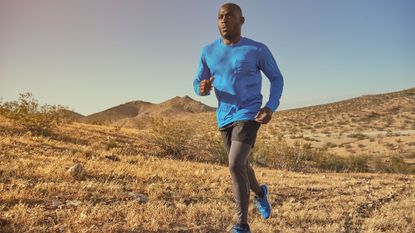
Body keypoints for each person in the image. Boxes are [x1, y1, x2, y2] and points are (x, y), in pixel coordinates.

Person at [193, 3, 284, 233]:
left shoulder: (257, 49)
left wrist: (270, 107)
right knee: (241, 165)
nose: (224, 20)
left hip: (249, 113)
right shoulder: (207, 51)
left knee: (234, 164)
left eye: (230, 16)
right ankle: (261, 193)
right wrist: (201, 88)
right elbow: (198, 83)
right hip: (224, 116)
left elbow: (277, 78)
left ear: (241, 20)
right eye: (220, 16)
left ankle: (241, 225)